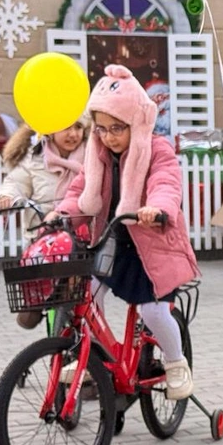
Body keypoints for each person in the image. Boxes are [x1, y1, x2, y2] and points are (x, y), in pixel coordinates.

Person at [54, 65, 200, 400]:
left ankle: (176, 363)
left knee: (153, 311)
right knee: (85, 297)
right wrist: (60, 213)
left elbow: (166, 182)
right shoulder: (99, 155)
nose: (109, 137)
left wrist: (157, 208)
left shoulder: (157, 149)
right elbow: (79, 191)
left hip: (151, 248)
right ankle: (91, 358)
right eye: (102, 129)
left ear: (135, 121)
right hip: (112, 243)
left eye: (117, 128)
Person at [0, 114, 91, 329]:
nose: (73, 134)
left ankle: (77, 337)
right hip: (47, 242)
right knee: (33, 309)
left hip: (84, 242)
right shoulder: (35, 159)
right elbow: (15, 183)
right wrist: (6, 198)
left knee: (80, 296)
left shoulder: (93, 157)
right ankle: (39, 310)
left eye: (78, 127)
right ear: (50, 131)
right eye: (66, 128)